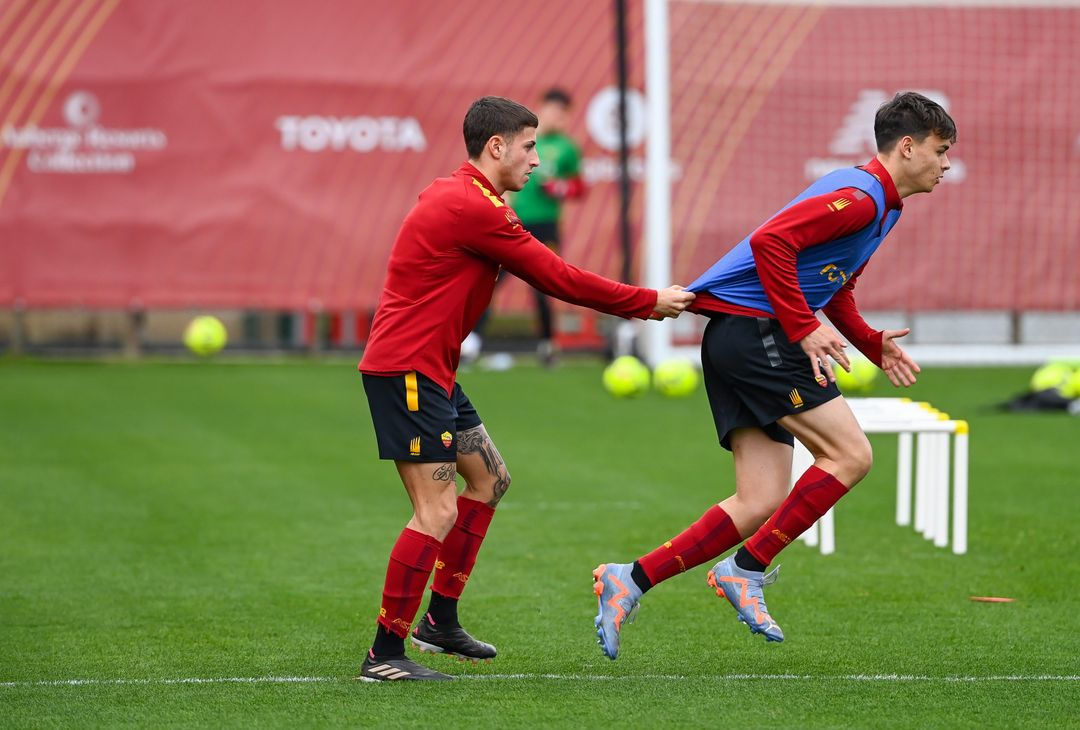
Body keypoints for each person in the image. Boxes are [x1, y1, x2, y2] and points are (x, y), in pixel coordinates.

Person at [591, 91, 956, 659]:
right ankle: (746, 569)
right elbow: (771, 243)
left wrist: (869, 342)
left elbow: (837, 284)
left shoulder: (884, 203)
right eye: (940, 150)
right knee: (851, 455)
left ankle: (629, 579)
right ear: (907, 147)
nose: (946, 164)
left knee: (759, 499)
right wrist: (803, 326)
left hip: (743, 336)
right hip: (758, 333)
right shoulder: (860, 198)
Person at [357, 96, 695, 681]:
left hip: (432, 370)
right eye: (530, 146)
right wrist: (648, 303)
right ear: (497, 147)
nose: (538, 160)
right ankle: (384, 654)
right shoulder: (474, 206)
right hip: (408, 372)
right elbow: (557, 277)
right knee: (434, 511)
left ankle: (439, 622)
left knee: (490, 480)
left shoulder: (466, 196)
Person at [461, 88, 586, 366]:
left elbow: (579, 186)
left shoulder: (567, 148)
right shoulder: (520, 139)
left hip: (545, 225)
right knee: (489, 281)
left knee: (545, 284)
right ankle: (471, 342)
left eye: (563, 113)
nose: (558, 117)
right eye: (554, 110)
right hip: (513, 221)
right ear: (542, 107)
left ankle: (547, 345)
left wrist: (560, 186)